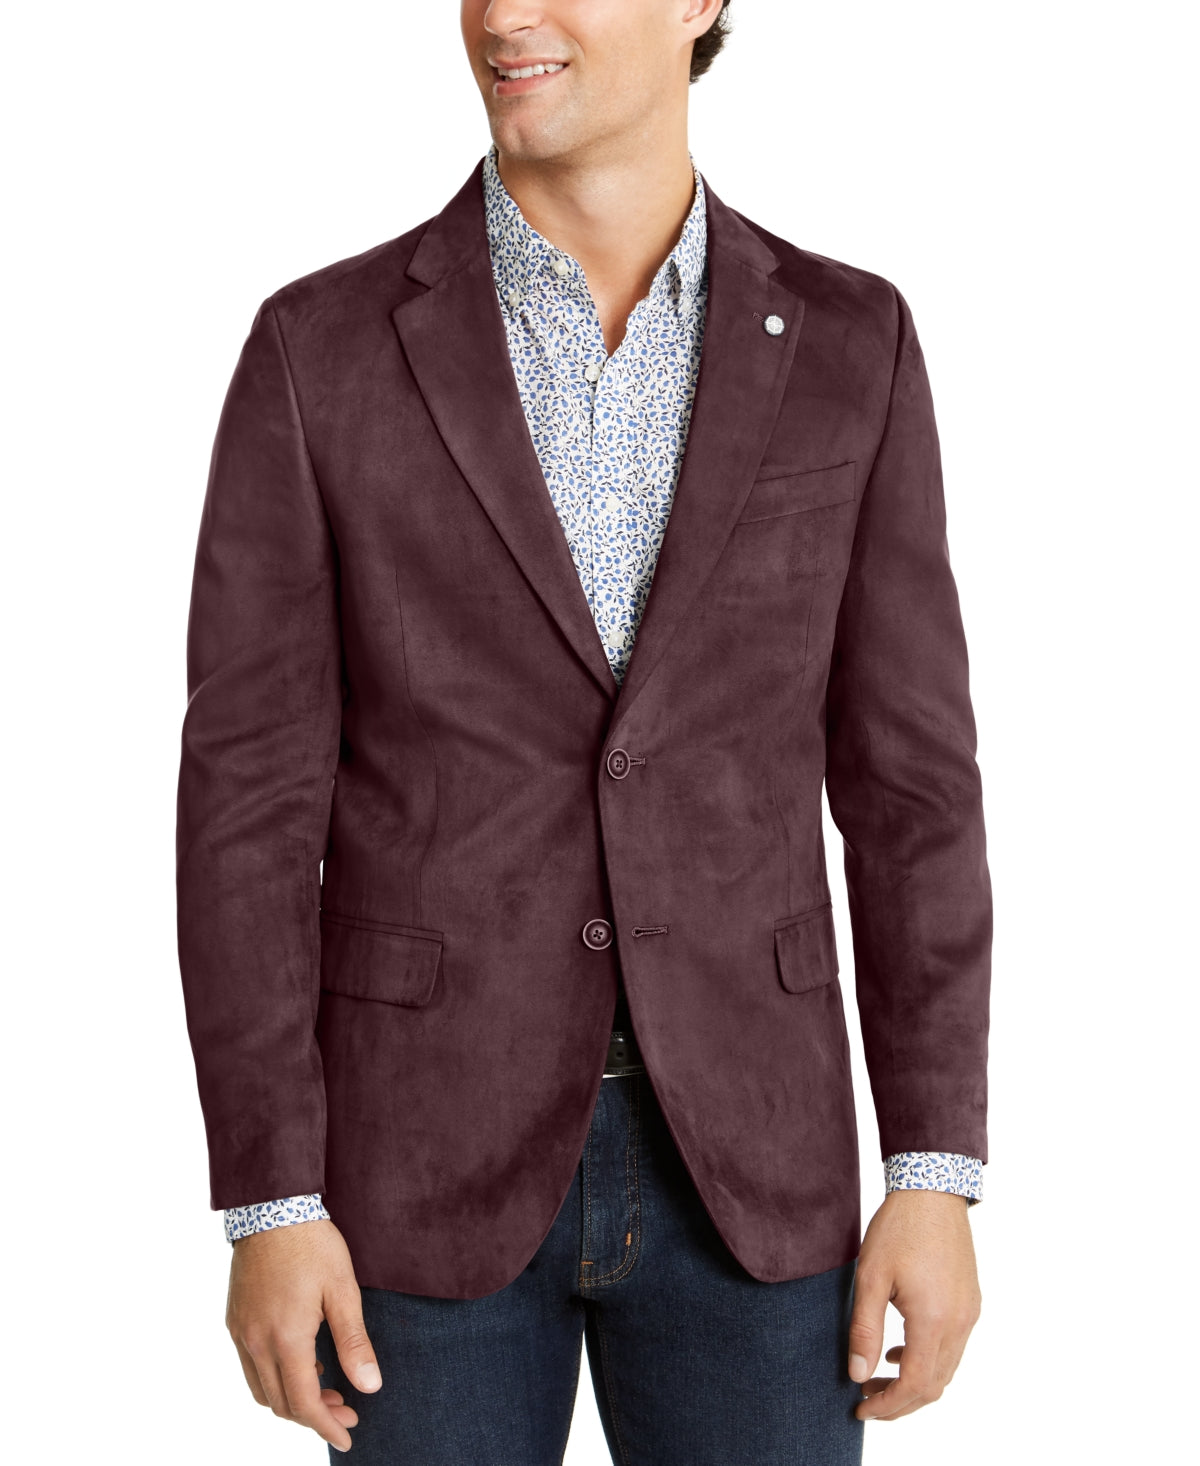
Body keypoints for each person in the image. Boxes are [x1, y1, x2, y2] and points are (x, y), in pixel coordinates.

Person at [175, 2, 991, 1460]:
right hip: (412, 1175)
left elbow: (912, 788)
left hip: (754, 1170)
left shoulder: (850, 342)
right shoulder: (321, 348)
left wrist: (934, 1169)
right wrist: (270, 1199)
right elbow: (246, 807)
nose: (503, 13)